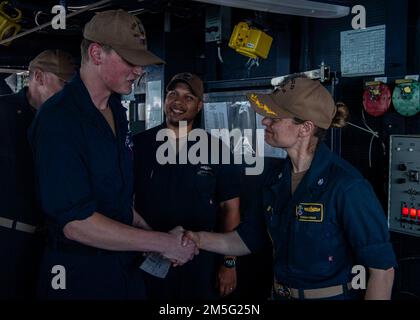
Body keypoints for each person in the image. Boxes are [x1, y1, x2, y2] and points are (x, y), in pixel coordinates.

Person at [28, 10, 196, 300]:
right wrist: (161, 242)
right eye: (131, 61)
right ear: (96, 53)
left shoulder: (117, 109)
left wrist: (152, 238)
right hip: (79, 276)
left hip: (124, 270)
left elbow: (113, 198)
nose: (139, 70)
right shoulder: (59, 119)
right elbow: (76, 223)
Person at [184, 76, 397, 300]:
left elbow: (382, 271)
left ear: (305, 128)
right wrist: (197, 238)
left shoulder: (347, 186)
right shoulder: (275, 178)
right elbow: (245, 239)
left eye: (274, 117)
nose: (265, 121)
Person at [133, 72, 241, 300]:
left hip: (200, 263)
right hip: (147, 257)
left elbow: (230, 209)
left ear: (200, 105)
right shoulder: (139, 146)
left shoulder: (217, 149)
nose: (178, 102)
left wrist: (229, 264)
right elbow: (122, 200)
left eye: (188, 97)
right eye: (173, 94)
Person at [0, 49, 77, 299]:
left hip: (49, 244)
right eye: (63, 83)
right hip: (7, 239)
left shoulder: (64, 124)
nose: (69, 93)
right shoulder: (3, 112)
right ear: (38, 77)